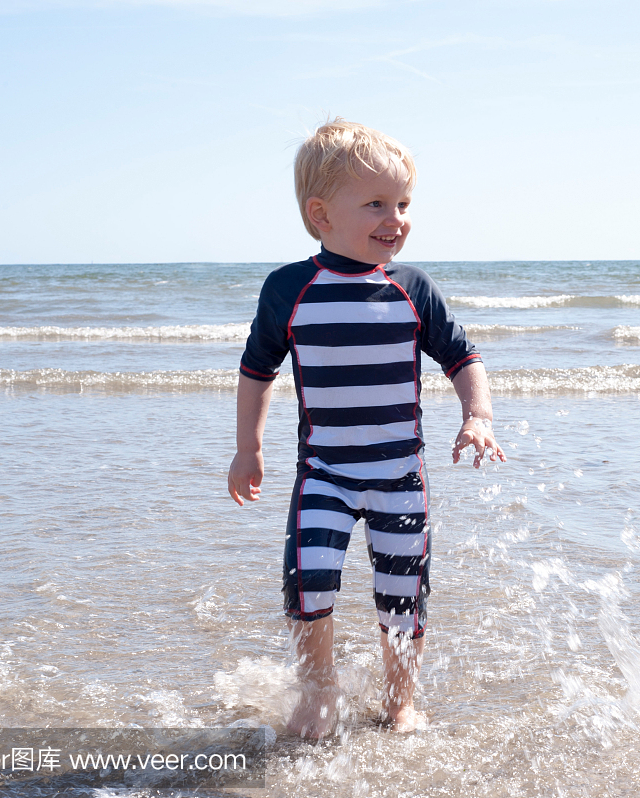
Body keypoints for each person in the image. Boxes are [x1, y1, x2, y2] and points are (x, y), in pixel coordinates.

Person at [227, 118, 505, 738]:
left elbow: (464, 357)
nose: (396, 217)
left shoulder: (411, 288)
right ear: (321, 214)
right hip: (323, 472)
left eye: (403, 203)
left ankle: (401, 698)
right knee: (309, 578)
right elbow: (256, 369)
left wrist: (477, 416)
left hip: (400, 475)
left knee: (402, 592)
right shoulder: (290, 289)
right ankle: (318, 692)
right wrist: (248, 449)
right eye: (376, 203)